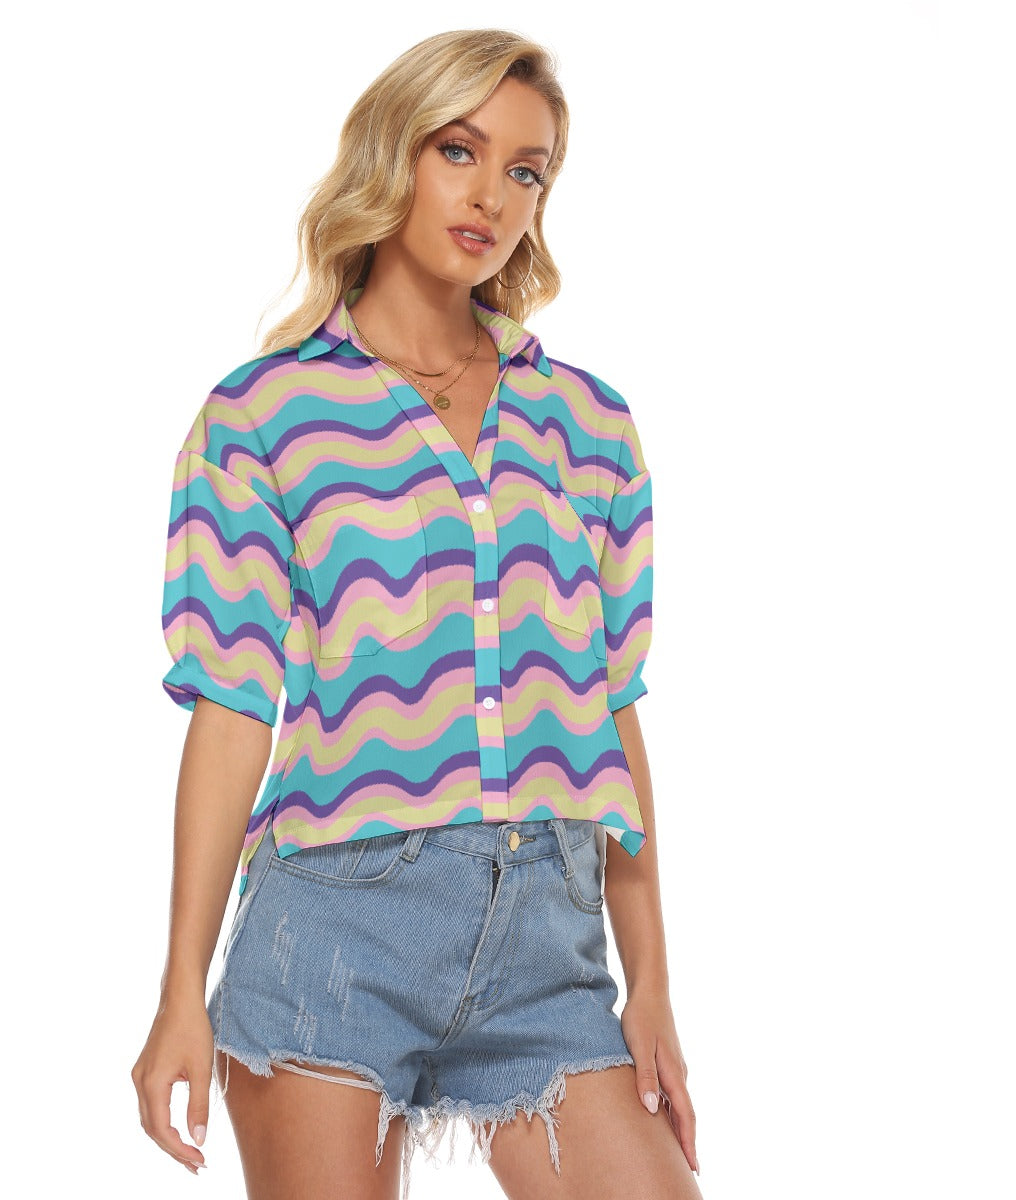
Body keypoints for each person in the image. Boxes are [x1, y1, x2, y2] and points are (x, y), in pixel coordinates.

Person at [132, 28, 703, 1200]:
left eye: (526, 170)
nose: (492, 194)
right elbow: (233, 708)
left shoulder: (588, 426)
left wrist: (651, 984)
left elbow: (611, 712)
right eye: (459, 150)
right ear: (393, 153)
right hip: (335, 929)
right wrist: (179, 990)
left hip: (549, 950)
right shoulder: (263, 420)